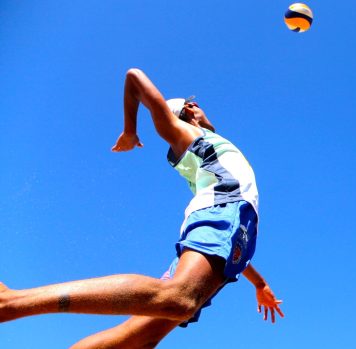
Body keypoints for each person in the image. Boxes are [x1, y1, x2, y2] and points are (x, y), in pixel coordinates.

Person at [0, 68, 284, 348]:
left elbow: (221, 243)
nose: (201, 108)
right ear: (189, 109)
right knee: (178, 299)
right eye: (195, 104)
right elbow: (134, 78)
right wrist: (129, 130)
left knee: (141, 339)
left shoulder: (207, 150)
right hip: (226, 208)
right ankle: (13, 303)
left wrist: (259, 284)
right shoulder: (184, 133)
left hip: (232, 224)